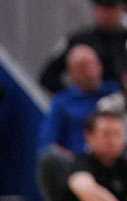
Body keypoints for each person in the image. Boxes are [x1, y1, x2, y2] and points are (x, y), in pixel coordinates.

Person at [37, 45, 119, 201]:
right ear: (70, 74)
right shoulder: (61, 102)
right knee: (49, 160)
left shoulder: (114, 95)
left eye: (93, 65)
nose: (90, 72)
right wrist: (76, 162)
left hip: (112, 163)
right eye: (82, 68)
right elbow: (46, 144)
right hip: (76, 164)